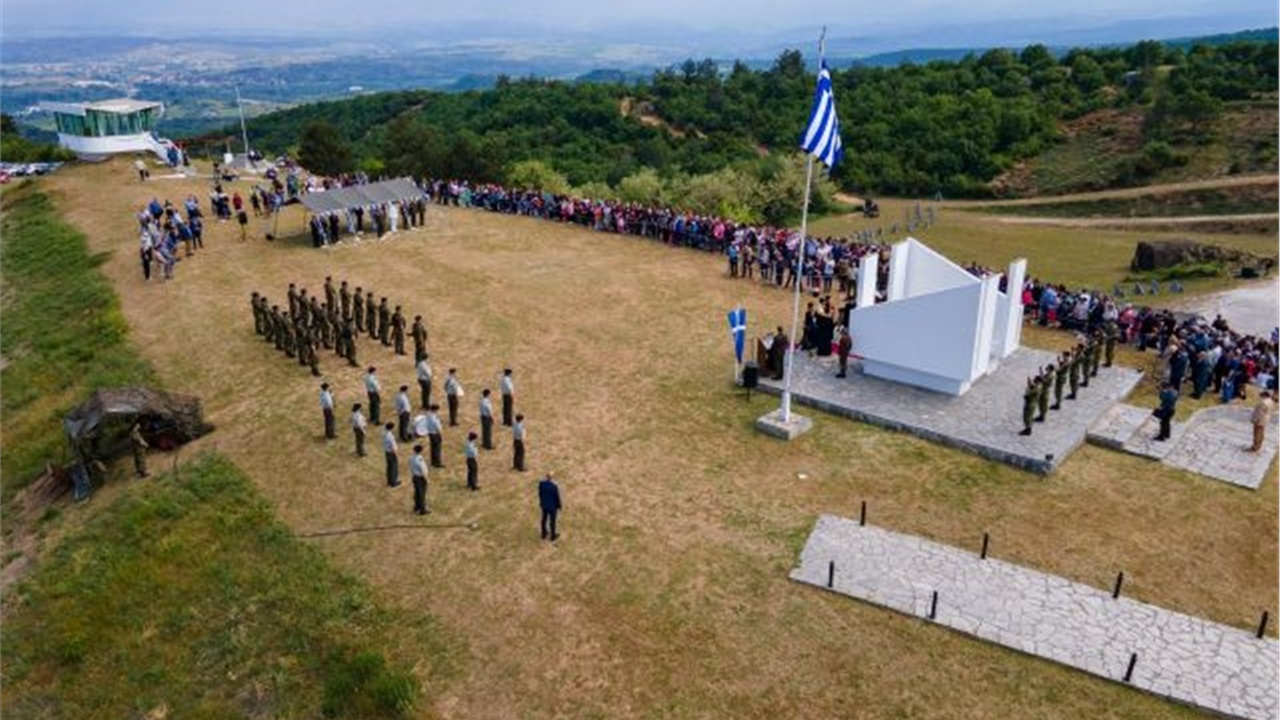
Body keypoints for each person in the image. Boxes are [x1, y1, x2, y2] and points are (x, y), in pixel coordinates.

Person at [538, 473, 562, 542]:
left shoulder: (541, 484)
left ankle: (543, 534)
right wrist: (559, 506)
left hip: (544, 505)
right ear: (551, 478)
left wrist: (542, 502)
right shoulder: (554, 487)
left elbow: (540, 494)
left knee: (544, 519)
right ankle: (553, 536)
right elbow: (557, 497)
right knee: (552, 521)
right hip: (552, 507)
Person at [410, 444, 430, 515]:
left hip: (415, 477)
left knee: (417, 493)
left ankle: (417, 506)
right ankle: (422, 509)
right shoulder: (420, 460)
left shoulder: (412, 458)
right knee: (421, 494)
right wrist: (427, 480)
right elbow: (423, 471)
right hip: (420, 478)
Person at [383, 422, 400, 487]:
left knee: (389, 467)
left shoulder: (384, 433)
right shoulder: (390, 437)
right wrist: (396, 455)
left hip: (387, 452)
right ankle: (393, 482)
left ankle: (389, 481)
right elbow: (393, 448)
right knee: (393, 468)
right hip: (391, 453)